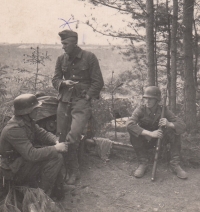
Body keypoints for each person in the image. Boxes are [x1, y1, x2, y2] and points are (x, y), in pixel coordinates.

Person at [52, 29, 104, 185]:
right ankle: (63, 168)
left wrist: (87, 96)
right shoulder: (61, 59)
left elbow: (98, 82)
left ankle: (74, 170)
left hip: (81, 101)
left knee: (74, 135)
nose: (63, 47)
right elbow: (55, 79)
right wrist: (62, 83)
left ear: (74, 43)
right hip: (64, 99)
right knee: (61, 135)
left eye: (65, 43)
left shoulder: (89, 57)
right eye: (62, 43)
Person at [0, 94, 68, 198]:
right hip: (12, 171)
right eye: (35, 109)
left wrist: (56, 141)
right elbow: (32, 155)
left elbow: (42, 134)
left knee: (53, 154)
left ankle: (53, 189)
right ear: (26, 112)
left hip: (21, 163)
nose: (38, 111)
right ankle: (39, 197)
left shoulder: (27, 122)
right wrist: (55, 148)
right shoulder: (14, 129)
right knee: (56, 158)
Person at [126, 86, 188, 179]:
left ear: (157, 100)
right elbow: (129, 124)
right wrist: (150, 133)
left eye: (150, 99)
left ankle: (175, 164)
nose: (147, 101)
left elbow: (182, 125)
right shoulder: (140, 109)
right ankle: (143, 163)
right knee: (134, 133)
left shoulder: (164, 110)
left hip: (160, 139)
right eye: (145, 98)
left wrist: (169, 124)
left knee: (174, 131)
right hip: (146, 140)